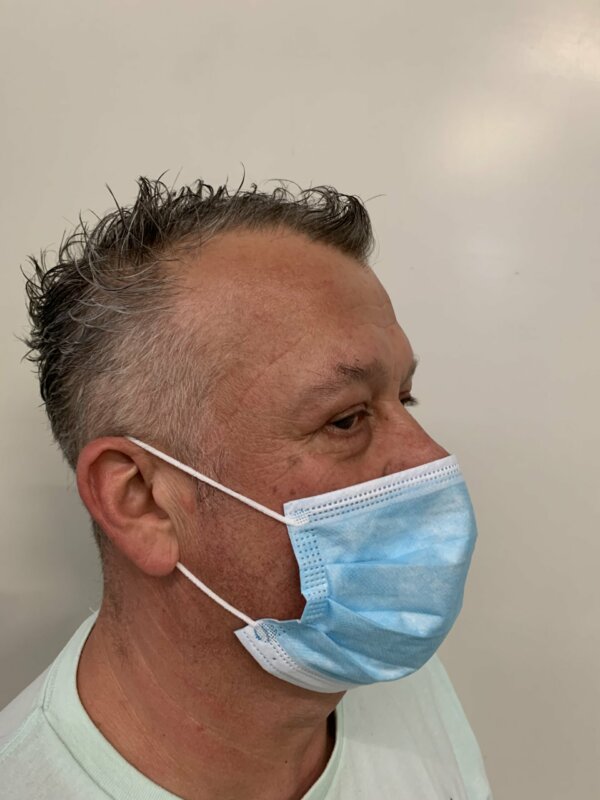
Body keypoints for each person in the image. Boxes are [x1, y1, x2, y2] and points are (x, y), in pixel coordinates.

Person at [0, 177, 492, 799]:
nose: (430, 457)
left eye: (405, 397)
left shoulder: (386, 664)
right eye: (346, 419)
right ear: (143, 502)